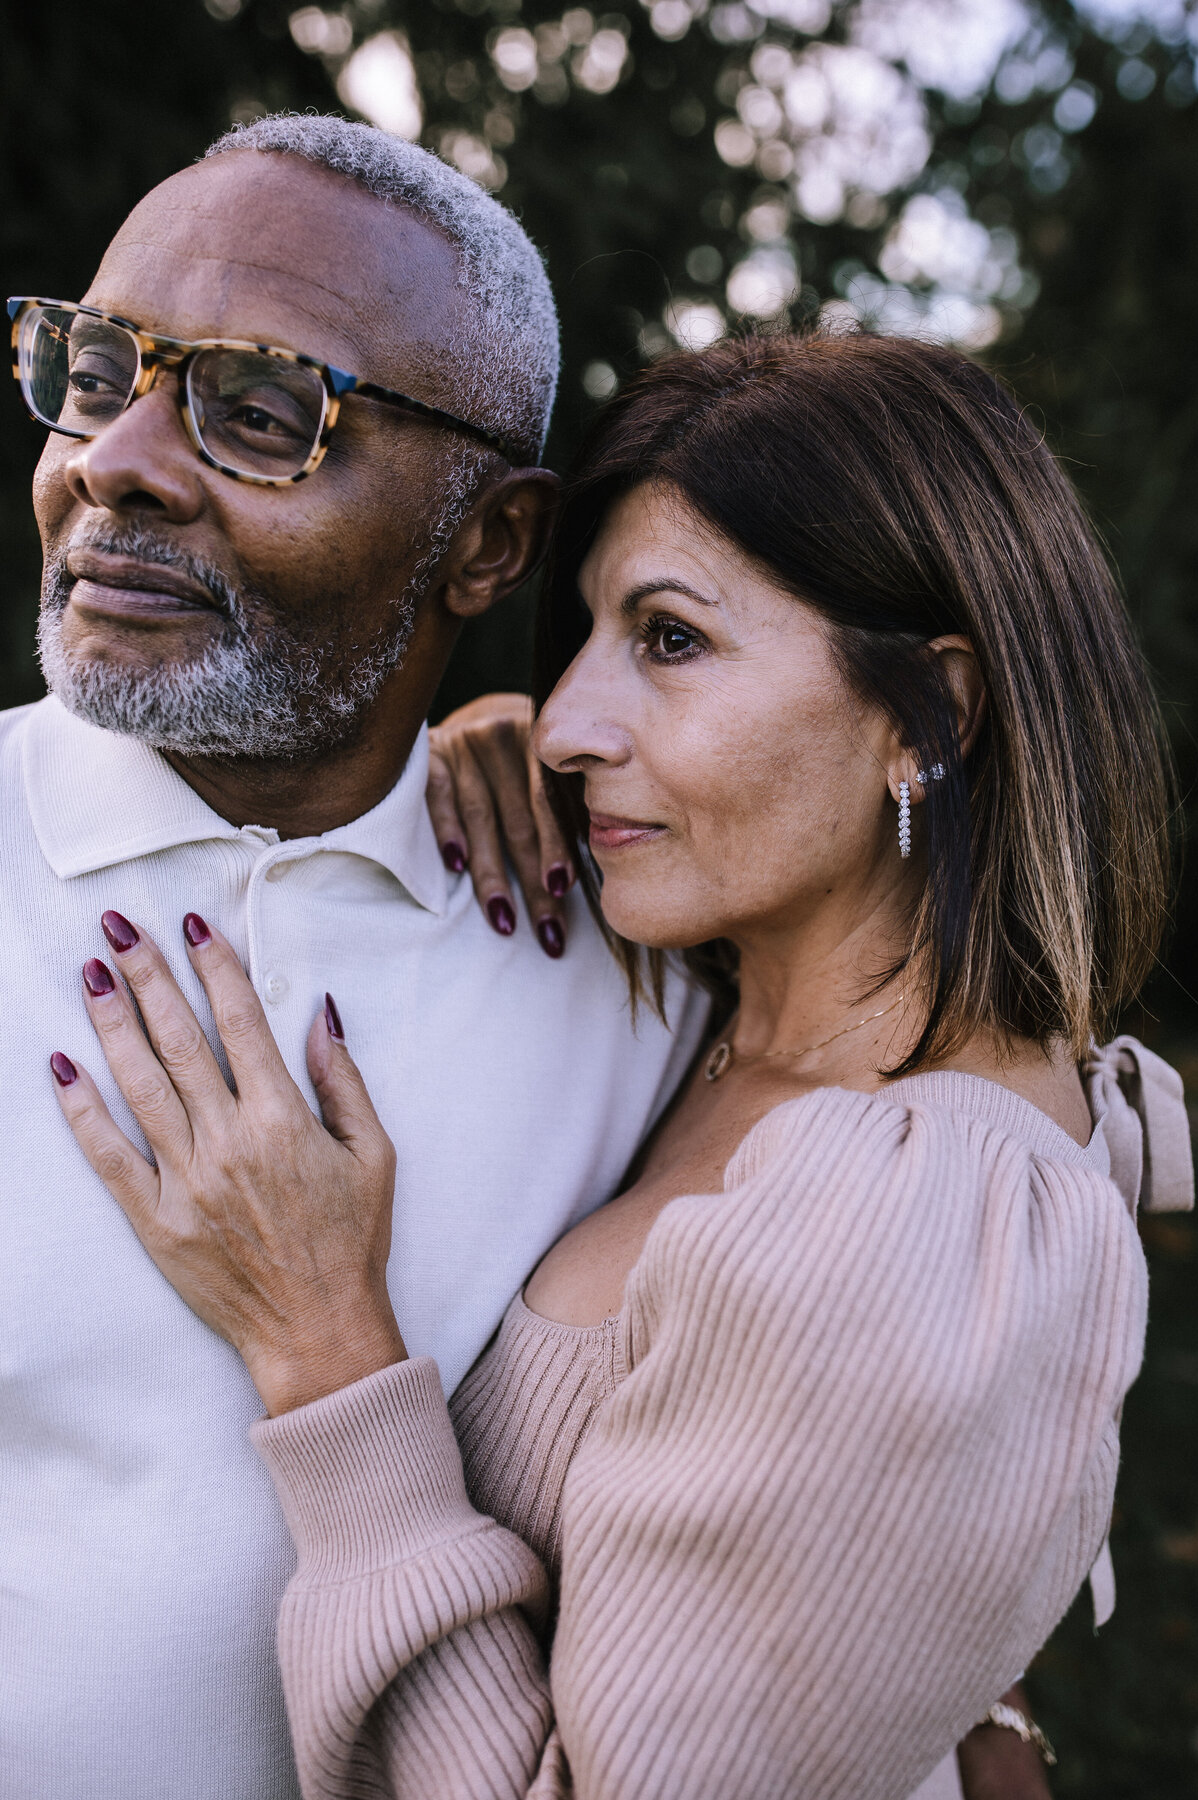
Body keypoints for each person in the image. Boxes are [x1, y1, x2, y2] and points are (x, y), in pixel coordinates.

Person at [53, 331, 1194, 1799]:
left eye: (670, 640)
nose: (575, 725)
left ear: (933, 714)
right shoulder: (726, 1012)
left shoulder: (914, 1210)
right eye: (583, 636)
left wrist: (327, 1350)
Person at [1, 116, 706, 1800]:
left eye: (259, 410)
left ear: (491, 544)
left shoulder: (639, 959)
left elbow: (960, 1117)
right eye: (98, 372)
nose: (118, 461)